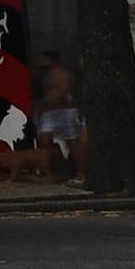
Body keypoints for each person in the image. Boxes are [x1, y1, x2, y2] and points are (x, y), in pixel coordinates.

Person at [32, 51, 86, 186]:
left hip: (65, 113)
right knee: (45, 140)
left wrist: (43, 104)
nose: (42, 63)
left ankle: (80, 175)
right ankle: (58, 172)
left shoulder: (63, 76)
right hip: (49, 114)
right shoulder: (44, 76)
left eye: (45, 60)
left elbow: (60, 94)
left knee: (72, 143)